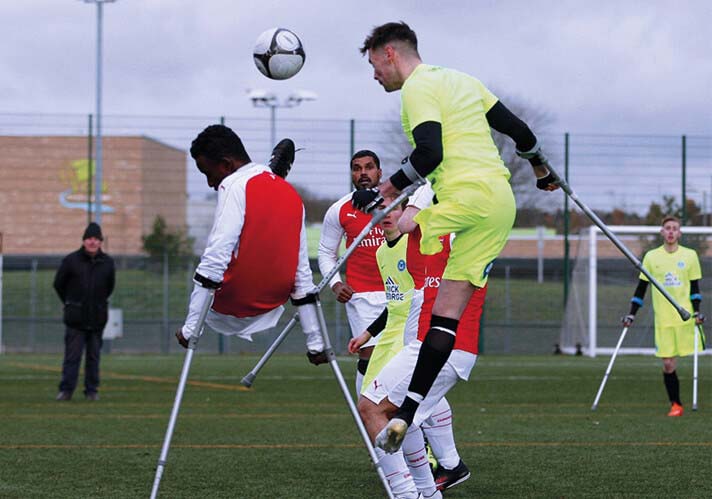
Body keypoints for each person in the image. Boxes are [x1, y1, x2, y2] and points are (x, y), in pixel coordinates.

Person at [353, 21, 558, 451]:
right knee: (446, 314)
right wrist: (540, 170)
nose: (374, 76)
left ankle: (400, 407)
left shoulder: (417, 87)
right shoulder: (465, 81)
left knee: (405, 230)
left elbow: (430, 153)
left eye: (374, 65)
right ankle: (407, 414)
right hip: (500, 206)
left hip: (463, 200)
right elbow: (521, 133)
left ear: (390, 53)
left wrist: (387, 191)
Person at [353, 184, 484, 493]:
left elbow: (407, 220)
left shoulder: (463, 231)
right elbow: (399, 222)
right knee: (402, 416)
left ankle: (407, 492)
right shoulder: (420, 239)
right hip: (429, 344)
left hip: (447, 346)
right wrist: (375, 197)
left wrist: (427, 182)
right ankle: (427, 491)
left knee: (371, 408)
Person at [175, 125, 325, 364]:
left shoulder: (231, 185)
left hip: (232, 303)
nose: (209, 183)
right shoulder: (294, 196)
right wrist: (316, 342)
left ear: (225, 165)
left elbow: (216, 256)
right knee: (266, 222)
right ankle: (268, 175)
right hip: (274, 301)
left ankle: (265, 173)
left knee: (220, 257)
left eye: (208, 173)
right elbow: (302, 274)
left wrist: (191, 329)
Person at [318, 150, 387, 393]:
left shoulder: (400, 204)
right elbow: (326, 253)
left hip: (401, 295)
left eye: (369, 167)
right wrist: (335, 284)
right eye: (357, 168)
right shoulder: (339, 209)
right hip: (362, 297)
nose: (363, 173)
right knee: (369, 356)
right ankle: (367, 411)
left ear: (380, 172)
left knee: (403, 359)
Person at [622, 216, 705, 416]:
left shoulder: (690, 255)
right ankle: (676, 404)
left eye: (674, 228)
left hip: (686, 318)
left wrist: (697, 311)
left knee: (691, 358)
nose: (670, 232)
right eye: (667, 228)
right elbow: (641, 289)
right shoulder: (651, 257)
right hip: (664, 320)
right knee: (668, 364)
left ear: (679, 233)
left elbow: (695, 288)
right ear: (662, 232)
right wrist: (631, 314)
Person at [54, 222, 115, 401]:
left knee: (93, 358)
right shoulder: (71, 261)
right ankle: (66, 390)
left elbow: (110, 287)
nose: (92, 242)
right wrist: (70, 303)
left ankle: (91, 391)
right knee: (72, 357)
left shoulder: (108, 263)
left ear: (100, 242)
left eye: (96, 239)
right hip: (76, 318)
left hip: (97, 318)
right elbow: (58, 284)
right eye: (89, 238)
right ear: (83, 241)